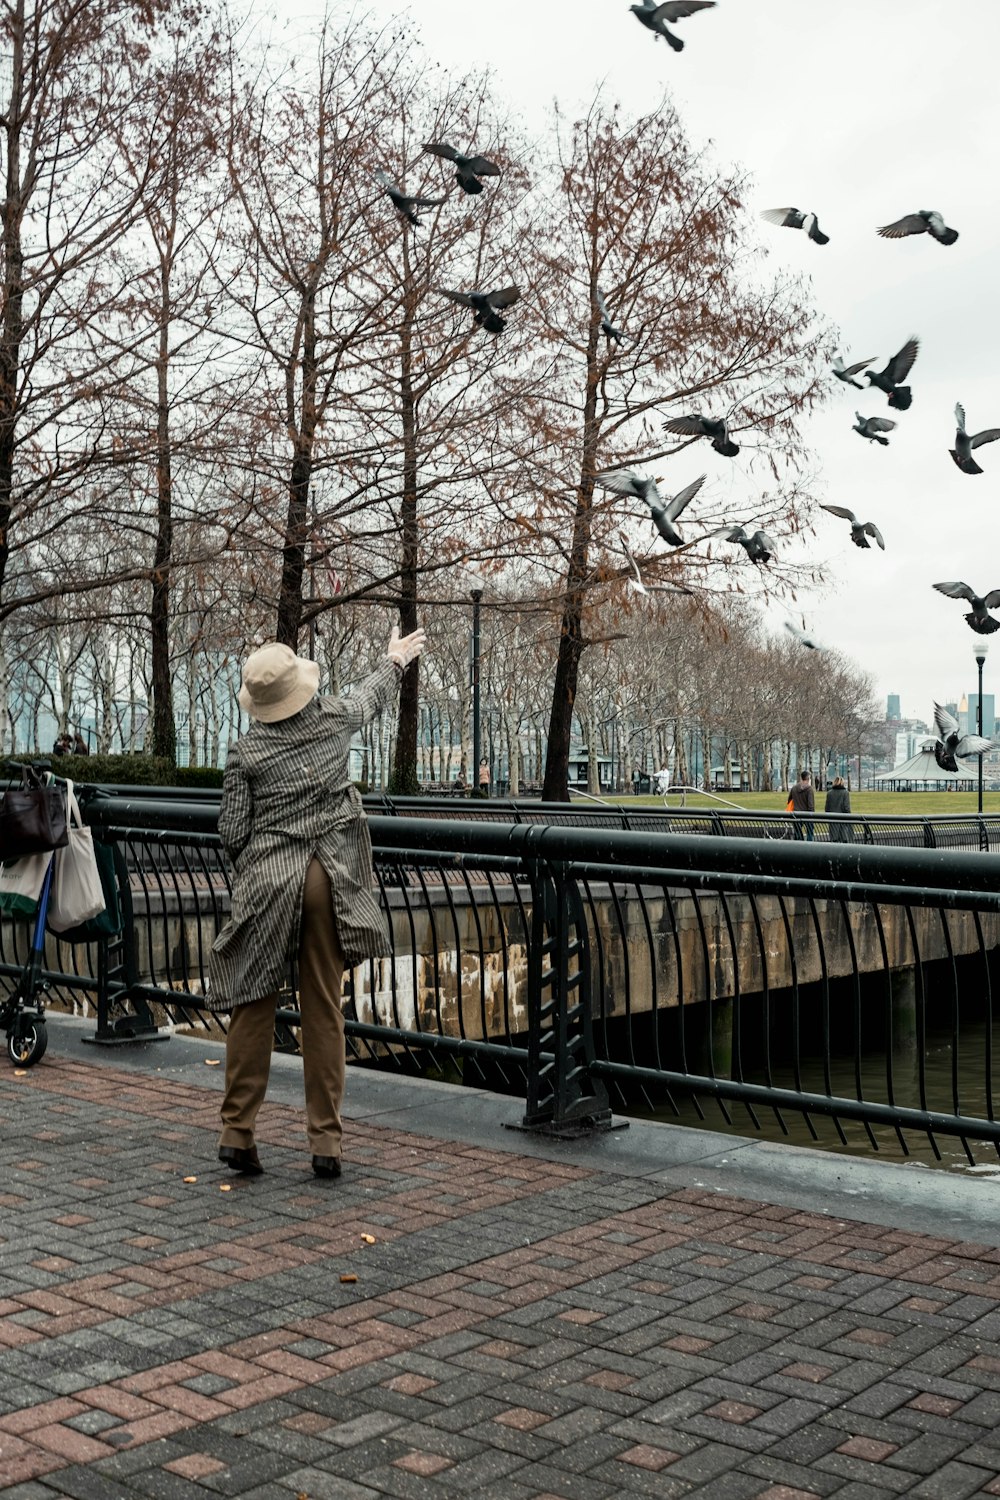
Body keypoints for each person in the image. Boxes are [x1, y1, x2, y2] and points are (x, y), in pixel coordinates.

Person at [207, 625, 426, 1179]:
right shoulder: (331, 720)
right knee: (323, 1004)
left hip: (267, 881)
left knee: (252, 1001)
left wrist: (263, 861)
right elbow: (369, 697)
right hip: (327, 877)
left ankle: (237, 1130)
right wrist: (394, 658)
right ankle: (325, 1142)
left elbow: (233, 833)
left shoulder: (245, 751)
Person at [788, 770, 815, 841]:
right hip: (807, 814)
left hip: (796, 813)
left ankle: (799, 846)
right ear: (808, 778)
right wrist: (812, 814)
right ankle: (809, 847)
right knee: (810, 832)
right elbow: (811, 804)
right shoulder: (809, 789)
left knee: (798, 833)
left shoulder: (794, 788)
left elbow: (789, 800)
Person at [825, 775, 854, 842]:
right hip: (843, 820)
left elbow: (827, 808)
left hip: (832, 820)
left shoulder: (829, 793)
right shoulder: (845, 793)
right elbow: (846, 807)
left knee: (834, 840)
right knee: (844, 839)